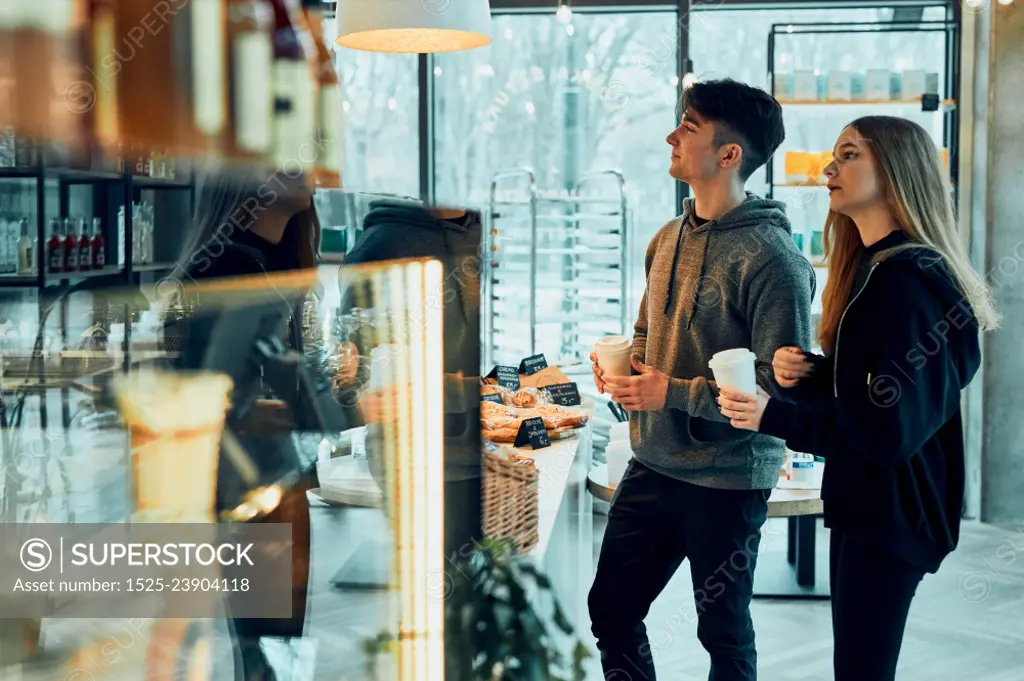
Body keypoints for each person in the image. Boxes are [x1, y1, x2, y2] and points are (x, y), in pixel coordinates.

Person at [716, 116, 999, 681]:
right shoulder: (879, 268)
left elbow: (887, 431)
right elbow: (886, 392)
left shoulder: (905, 284)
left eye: (849, 154)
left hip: (891, 514)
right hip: (871, 505)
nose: (828, 168)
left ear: (896, 173)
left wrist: (776, 415)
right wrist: (818, 376)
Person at [588, 79, 815, 681]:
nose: (671, 136)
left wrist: (672, 392)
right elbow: (645, 332)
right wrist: (626, 369)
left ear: (729, 153)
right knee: (610, 608)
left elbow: (777, 387)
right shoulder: (667, 238)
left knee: (722, 632)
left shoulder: (774, 259)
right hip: (653, 461)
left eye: (687, 126)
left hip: (728, 479)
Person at [166, 163, 324, 681]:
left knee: (271, 651)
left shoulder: (282, 257)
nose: (310, 168)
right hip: (242, 492)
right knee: (263, 655)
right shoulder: (226, 268)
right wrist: (335, 403)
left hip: (275, 485)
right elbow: (220, 401)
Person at [338, 198, 484, 559]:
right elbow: (351, 367)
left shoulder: (484, 233)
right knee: (438, 593)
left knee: (483, 593)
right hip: (418, 462)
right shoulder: (381, 245)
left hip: (493, 452)